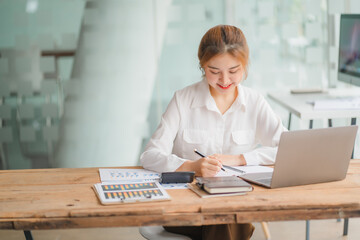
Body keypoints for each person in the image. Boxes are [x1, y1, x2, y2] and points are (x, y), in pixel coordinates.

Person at [140, 25, 287, 240]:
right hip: (186, 206)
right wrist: (192, 167)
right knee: (227, 220)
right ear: (202, 66)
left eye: (234, 71)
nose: (225, 81)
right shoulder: (183, 100)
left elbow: (286, 148)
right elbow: (150, 156)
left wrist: (240, 159)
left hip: (236, 202)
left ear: (245, 65)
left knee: (226, 215)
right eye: (214, 72)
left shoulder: (254, 102)